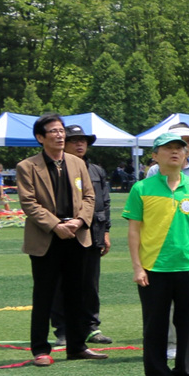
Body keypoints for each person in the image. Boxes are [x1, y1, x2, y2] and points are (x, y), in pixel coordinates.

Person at [124, 131, 189, 376]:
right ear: (155, 155)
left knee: (187, 326)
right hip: (154, 268)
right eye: (168, 148)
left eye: (179, 148)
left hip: (188, 265)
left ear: (186, 154)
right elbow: (134, 231)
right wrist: (137, 266)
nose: (175, 152)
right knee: (155, 327)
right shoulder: (141, 189)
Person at [16, 114, 103, 365]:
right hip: (46, 238)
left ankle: (77, 346)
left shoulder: (77, 163)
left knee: (77, 293)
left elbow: (90, 197)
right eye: (53, 131)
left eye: (61, 130)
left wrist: (79, 221)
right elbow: (29, 203)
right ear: (40, 137)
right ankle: (40, 350)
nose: (60, 135)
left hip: (76, 236)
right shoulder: (27, 166)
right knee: (44, 295)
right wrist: (55, 225)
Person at [49, 125, 113, 346]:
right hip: (64, 233)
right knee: (62, 283)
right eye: (74, 140)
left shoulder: (96, 171)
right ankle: (63, 329)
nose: (79, 144)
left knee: (90, 283)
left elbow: (104, 203)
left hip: (93, 232)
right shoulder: (56, 169)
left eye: (83, 140)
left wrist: (106, 232)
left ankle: (91, 327)